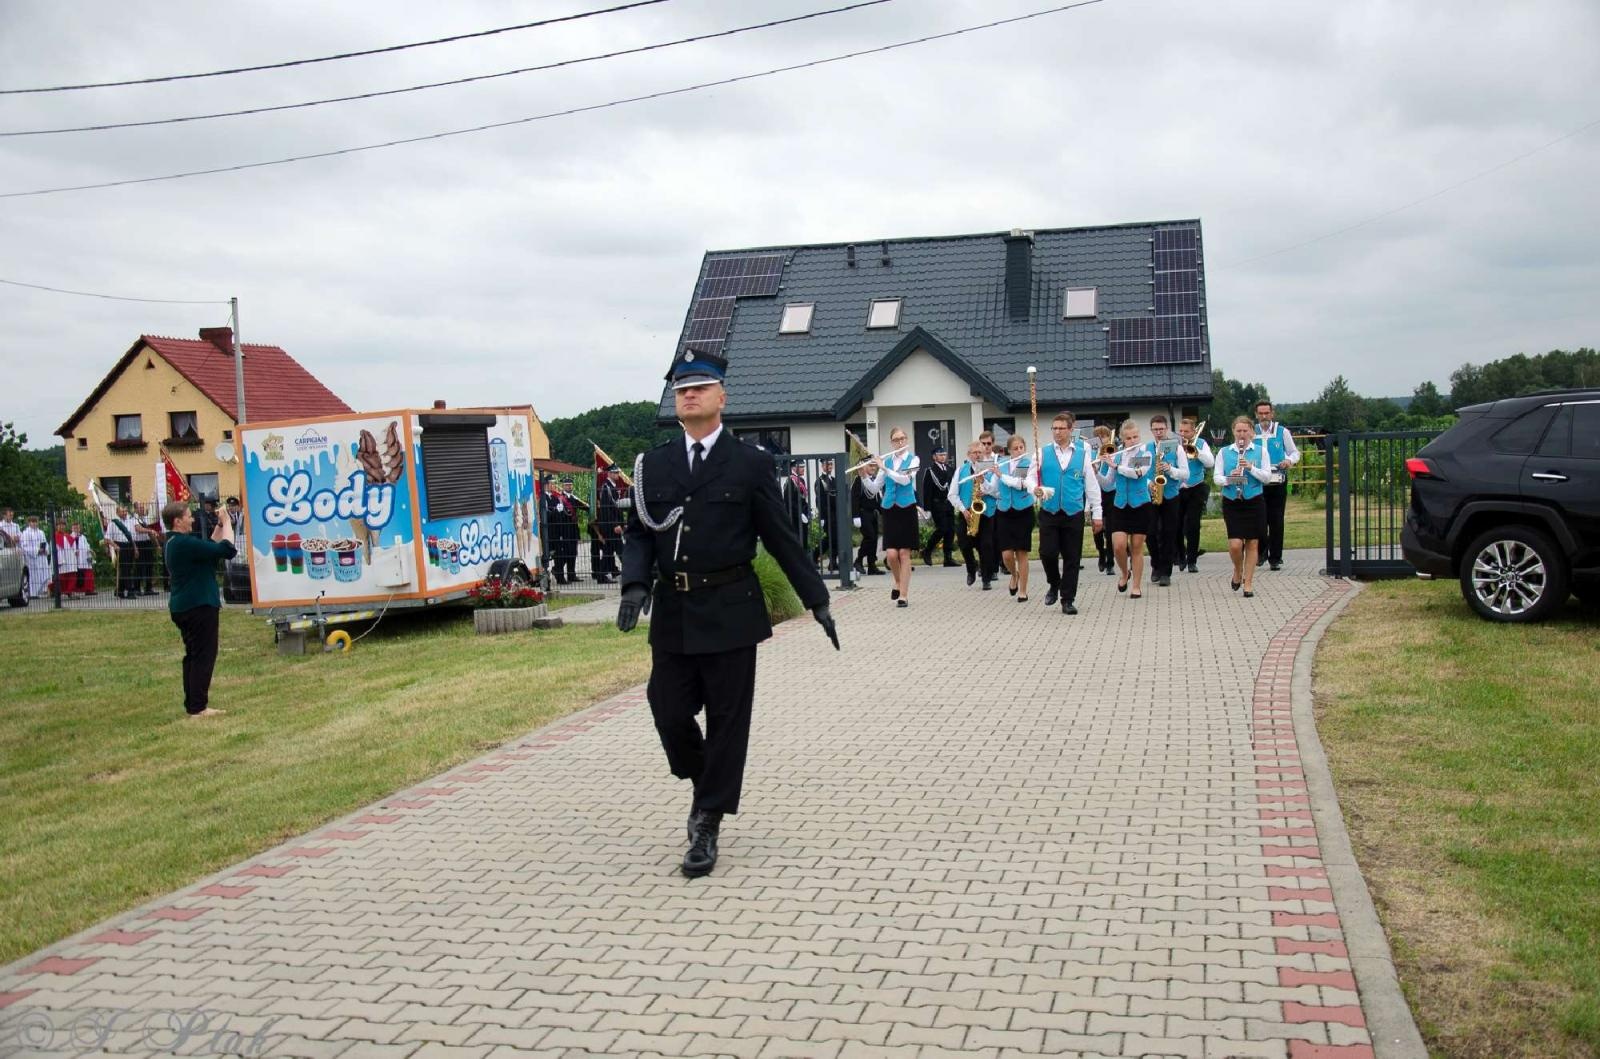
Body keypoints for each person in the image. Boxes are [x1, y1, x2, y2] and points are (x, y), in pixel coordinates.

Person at [617, 347, 837, 878]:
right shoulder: (653, 464)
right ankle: (707, 783)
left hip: (732, 609)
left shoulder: (750, 463)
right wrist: (634, 586)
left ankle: (707, 821)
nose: (689, 395)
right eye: (681, 390)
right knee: (668, 710)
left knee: (727, 721)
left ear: (722, 396)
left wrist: (817, 599)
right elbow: (640, 533)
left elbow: (781, 537)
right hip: (674, 610)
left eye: (699, 387)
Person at [163, 499, 236, 717]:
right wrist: (227, 522)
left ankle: (193, 704)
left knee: (193, 656)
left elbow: (210, 547)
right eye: (188, 516)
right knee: (204, 655)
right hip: (198, 606)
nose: (192, 519)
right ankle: (198, 707)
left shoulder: (174, 542)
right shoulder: (184, 543)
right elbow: (227, 550)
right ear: (177, 521)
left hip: (184, 606)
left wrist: (219, 526)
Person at [1031, 412, 1103, 615]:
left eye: (1061, 428)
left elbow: (1091, 486)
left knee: (1072, 557)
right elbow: (1030, 478)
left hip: (1073, 511)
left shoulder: (1082, 454)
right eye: (1054, 428)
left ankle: (1068, 599)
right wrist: (1035, 488)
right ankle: (1054, 582)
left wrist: (1097, 513)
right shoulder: (1041, 453)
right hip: (1050, 510)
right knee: (1047, 552)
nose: (1057, 432)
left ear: (1071, 430)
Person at [1096, 419, 1162, 599]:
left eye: (1135, 437)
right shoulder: (1117, 455)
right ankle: (1125, 573)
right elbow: (1108, 484)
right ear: (1122, 439)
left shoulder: (1145, 453)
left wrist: (1116, 466)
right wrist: (1096, 472)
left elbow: (1137, 473)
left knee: (1136, 547)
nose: (1133, 441)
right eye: (1128, 438)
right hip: (1120, 505)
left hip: (1140, 504)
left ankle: (1136, 586)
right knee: (1118, 546)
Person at [1216, 416, 1274, 598]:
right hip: (1232, 501)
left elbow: (1267, 477)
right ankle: (1237, 569)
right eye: (1238, 431)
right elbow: (1217, 478)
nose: (1242, 434)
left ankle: (1248, 583)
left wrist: (1250, 468)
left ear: (1251, 432)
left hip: (1254, 500)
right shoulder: (1224, 452)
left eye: (1245, 431)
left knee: (1252, 542)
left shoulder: (1260, 451)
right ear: (1233, 432)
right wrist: (1229, 478)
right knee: (1235, 544)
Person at [866, 427, 920, 608]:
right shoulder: (887, 461)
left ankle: (903, 595)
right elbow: (874, 488)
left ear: (907, 440)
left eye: (903, 438)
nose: (900, 442)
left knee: (904, 553)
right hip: (889, 509)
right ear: (892, 442)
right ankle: (897, 581)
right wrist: (864, 475)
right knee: (891, 555)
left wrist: (884, 468)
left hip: (907, 508)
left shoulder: (914, 460)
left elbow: (905, 480)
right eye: (896, 439)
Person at [1254, 400, 1301, 571]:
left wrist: (1289, 461)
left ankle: (1275, 557)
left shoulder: (1282, 432)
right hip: (1258, 480)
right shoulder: (1252, 432)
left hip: (1278, 480)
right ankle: (1261, 552)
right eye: (1261, 413)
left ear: (1272, 413)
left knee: (1276, 519)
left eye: (1267, 413)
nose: (1264, 416)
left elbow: (1294, 452)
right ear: (1256, 415)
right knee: (1259, 518)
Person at [1146, 415, 1190, 588]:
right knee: (1150, 532)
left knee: (1168, 533)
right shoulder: (1146, 448)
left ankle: (1165, 572)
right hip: (1151, 494)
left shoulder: (1177, 448)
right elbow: (1139, 471)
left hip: (1171, 494)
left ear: (1167, 429)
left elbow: (1185, 473)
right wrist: (1148, 483)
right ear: (1151, 430)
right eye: (1155, 429)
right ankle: (1156, 565)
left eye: (1161, 429)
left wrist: (1170, 469)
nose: (1158, 432)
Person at [948, 441, 998, 588]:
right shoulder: (961, 470)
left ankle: (986, 579)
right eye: (974, 453)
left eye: (979, 452)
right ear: (968, 455)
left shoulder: (991, 469)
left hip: (986, 513)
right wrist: (963, 509)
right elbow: (952, 494)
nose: (977, 455)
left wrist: (985, 487)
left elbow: (996, 491)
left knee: (986, 546)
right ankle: (971, 568)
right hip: (967, 512)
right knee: (963, 543)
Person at [995, 434, 1035, 601]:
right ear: (1009, 451)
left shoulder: (1027, 463)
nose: (1019, 451)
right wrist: (982, 482)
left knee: (1021, 552)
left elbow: (1019, 484)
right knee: (1006, 555)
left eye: (1021, 448)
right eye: (1015, 449)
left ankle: (1023, 591)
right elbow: (994, 488)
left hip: (1023, 511)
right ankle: (1014, 574)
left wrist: (1000, 475)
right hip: (1004, 511)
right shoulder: (1002, 464)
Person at [1176, 417, 1214, 573]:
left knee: (1193, 525)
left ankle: (1192, 560)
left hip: (1195, 487)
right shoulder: (1174, 444)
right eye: (1181, 431)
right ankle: (1181, 556)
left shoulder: (1201, 443)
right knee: (1176, 525)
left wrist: (1196, 451)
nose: (1183, 434)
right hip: (1177, 488)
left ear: (1193, 431)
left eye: (1186, 431)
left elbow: (1210, 462)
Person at [919, 446, 958, 567]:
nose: (943, 457)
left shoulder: (950, 469)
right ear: (934, 457)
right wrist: (927, 508)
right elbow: (927, 490)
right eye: (940, 455)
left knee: (950, 530)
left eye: (944, 455)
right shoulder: (930, 471)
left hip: (949, 503)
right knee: (942, 528)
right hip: (937, 504)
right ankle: (927, 550)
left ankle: (948, 558)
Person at [849, 459, 883, 576]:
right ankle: (858, 560)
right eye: (870, 466)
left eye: (874, 466)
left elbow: (877, 498)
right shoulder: (859, 480)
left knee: (874, 539)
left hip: (873, 513)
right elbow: (854, 499)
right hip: (863, 513)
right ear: (864, 467)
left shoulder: (874, 480)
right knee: (870, 537)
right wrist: (855, 516)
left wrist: (882, 511)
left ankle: (871, 565)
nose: (873, 468)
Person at [595, 469, 624, 583]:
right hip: (610, 526)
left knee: (609, 551)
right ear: (609, 474)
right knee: (620, 550)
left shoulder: (611, 487)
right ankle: (631, 573)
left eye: (617, 473)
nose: (617, 475)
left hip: (612, 525)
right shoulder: (606, 487)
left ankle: (601, 576)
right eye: (615, 473)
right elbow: (606, 509)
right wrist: (615, 524)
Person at [105, 505, 140, 598]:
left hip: (129, 546)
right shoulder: (113, 523)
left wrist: (135, 548)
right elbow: (107, 538)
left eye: (125, 511)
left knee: (128, 568)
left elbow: (131, 537)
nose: (124, 513)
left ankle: (120, 590)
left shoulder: (130, 521)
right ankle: (130, 591)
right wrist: (115, 546)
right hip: (119, 546)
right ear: (117, 513)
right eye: (122, 511)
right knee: (125, 569)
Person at [813, 459, 837, 572]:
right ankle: (814, 556)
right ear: (822, 466)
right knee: (828, 539)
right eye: (827, 464)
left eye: (831, 464)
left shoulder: (834, 480)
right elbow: (820, 501)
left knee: (836, 539)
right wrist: (822, 517)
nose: (829, 466)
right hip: (827, 514)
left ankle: (833, 562)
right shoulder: (820, 481)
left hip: (836, 513)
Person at [19, 516, 49, 599]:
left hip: (42, 557)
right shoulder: (25, 533)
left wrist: (45, 550)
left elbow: (45, 542)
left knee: (43, 574)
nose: (34, 523)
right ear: (29, 523)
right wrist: (37, 550)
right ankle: (32, 593)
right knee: (33, 576)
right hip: (32, 558)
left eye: (35, 522)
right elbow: (24, 546)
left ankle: (39, 592)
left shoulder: (41, 532)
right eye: (32, 522)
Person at [52, 520, 79, 597]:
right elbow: (53, 549)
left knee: (72, 575)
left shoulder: (68, 536)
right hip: (61, 559)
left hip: (70, 559)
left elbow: (74, 546)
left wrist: (76, 551)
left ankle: (70, 591)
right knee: (62, 577)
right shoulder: (54, 536)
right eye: (59, 525)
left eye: (63, 525)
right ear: (56, 526)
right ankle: (60, 591)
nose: (61, 527)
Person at [70, 522, 97, 595]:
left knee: (88, 573)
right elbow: (69, 547)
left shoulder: (83, 537)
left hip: (85, 558)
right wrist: (74, 551)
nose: (76, 529)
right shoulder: (70, 537)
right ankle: (77, 590)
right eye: (75, 528)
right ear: (72, 529)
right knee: (78, 574)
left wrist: (90, 550)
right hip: (76, 559)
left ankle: (89, 590)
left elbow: (87, 545)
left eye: (78, 528)